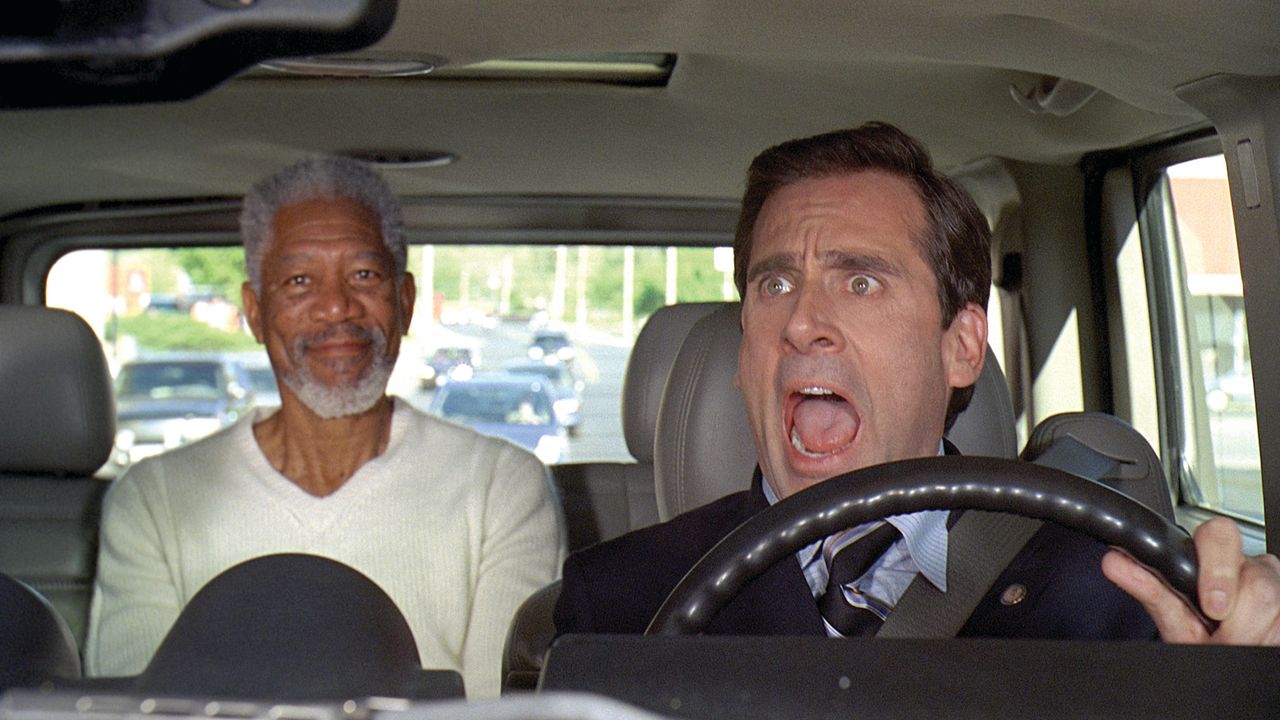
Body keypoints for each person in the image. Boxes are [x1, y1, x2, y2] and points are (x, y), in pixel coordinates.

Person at [554, 123, 1280, 645]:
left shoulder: (1117, 592)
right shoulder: (620, 601)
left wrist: (1238, 682)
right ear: (744, 356)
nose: (801, 323)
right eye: (774, 284)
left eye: (861, 282)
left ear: (961, 347)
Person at [87, 156, 566, 698]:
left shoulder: (502, 486)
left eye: (364, 275)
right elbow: (133, 711)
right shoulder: (154, 501)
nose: (336, 307)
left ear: (405, 302)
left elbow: (495, 712)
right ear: (255, 312)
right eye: (299, 281)